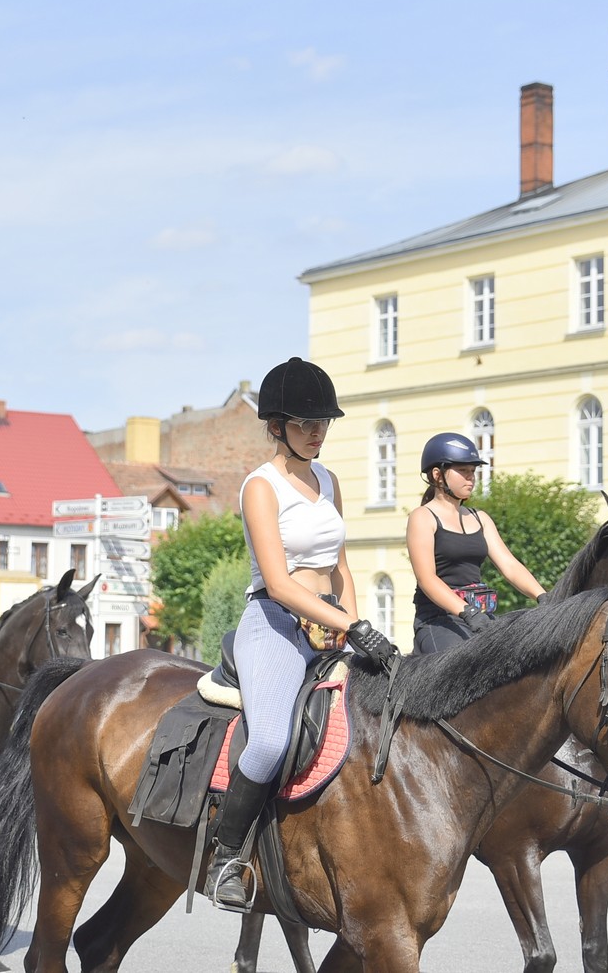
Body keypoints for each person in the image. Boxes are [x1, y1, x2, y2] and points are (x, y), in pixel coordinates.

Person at [205, 357, 397, 912]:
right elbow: (280, 582)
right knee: (269, 741)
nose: (317, 431)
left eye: (323, 423)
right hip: (274, 623)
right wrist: (347, 623)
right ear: (276, 426)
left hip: (332, 622)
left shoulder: (329, 481)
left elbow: (341, 566)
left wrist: (354, 626)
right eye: (305, 422)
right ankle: (228, 857)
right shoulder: (259, 487)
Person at [406, 432, 547, 655]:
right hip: (439, 621)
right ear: (437, 475)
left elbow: (509, 565)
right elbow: (427, 579)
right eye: (463, 471)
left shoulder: (480, 518)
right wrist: (466, 612)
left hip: (479, 617)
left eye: (473, 471)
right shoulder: (422, 517)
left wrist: (544, 597)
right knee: (459, 671)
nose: (470, 477)